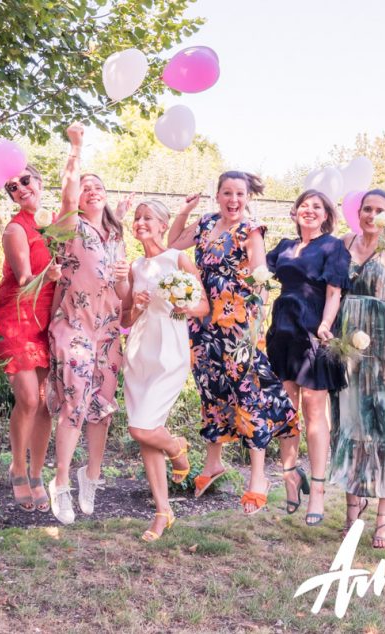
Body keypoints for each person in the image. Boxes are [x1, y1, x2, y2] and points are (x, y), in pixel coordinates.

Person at [168, 171, 298, 515]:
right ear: (218, 195)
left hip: (236, 324)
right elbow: (173, 243)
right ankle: (213, 464)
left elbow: (260, 278)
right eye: (227, 193)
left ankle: (258, 478)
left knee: (246, 393)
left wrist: (253, 322)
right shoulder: (207, 222)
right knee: (211, 388)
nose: (233, 200)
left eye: (239, 194)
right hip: (202, 320)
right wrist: (184, 211)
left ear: (247, 196)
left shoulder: (250, 230)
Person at [46, 122, 130, 524]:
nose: (92, 189)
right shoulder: (70, 225)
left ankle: (91, 476)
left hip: (109, 329)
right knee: (75, 405)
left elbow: (122, 293)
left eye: (99, 186)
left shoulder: (115, 234)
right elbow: (67, 193)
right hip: (74, 325)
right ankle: (60, 482)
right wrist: (76, 151)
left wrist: (124, 277)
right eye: (86, 185)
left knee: (103, 408)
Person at [330, 189, 385, 547]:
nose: (372, 215)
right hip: (347, 339)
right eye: (367, 209)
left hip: (383, 344)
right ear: (359, 212)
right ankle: (353, 504)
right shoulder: (343, 243)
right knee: (348, 416)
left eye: (379, 210)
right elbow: (331, 289)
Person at [121, 198, 209, 541]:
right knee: (146, 430)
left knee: (140, 429)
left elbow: (204, 307)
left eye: (149, 218)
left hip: (170, 352)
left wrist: (184, 304)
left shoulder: (178, 259)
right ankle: (163, 512)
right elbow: (125, 321)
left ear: (162, 224)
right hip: (139, 353)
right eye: (138, 218)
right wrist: (137, 307)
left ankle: (176, 447)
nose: (141, 222)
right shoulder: (134, 267)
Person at [265, 190, 350, 526]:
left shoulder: (332, 246)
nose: (309, 210)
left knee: (314, 412)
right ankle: (289, 477)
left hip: (314, 331)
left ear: (327, 214)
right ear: (295, 211)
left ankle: (316, 489)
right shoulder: (284, 246)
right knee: (286, 411)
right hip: (282, 332)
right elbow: (258, 271)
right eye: (304, 206)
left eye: (317, 207)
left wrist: (326, 325)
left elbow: (334, 292)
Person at [0, 163, 61, 512]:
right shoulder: (16, 229)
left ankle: (36, 473)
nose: (20, 188)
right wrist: (53, 273)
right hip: (15, 318)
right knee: (29, 399)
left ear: (40, 180)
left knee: (45, 402)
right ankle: (17, 466)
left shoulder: (57, 223)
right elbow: (24, 279)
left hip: (47, 320)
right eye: (12, 187)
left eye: (25, 180)